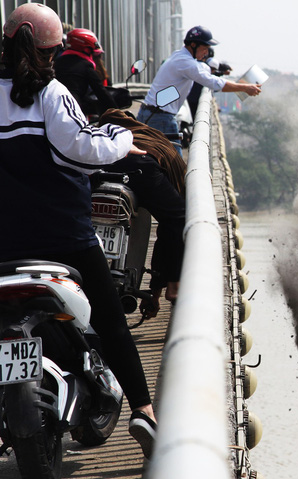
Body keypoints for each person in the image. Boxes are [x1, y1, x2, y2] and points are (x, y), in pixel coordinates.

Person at [0, 3, 156, 458]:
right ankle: (144, 412)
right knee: (110, 318)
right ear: (52, 51)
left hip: (4, 242)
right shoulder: (50, 92)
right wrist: (125, 140)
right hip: (61, 235)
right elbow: (79, 150)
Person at [98, 108, 187, 317]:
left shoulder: (99, 137)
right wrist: (154, 293)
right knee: (176, 218)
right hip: (141, 170)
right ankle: (173, 285)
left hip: (102, 169)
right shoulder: (150, 135)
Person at [137, 25, 261, 157]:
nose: (206, 53)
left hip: (149, 112)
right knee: (176, 167)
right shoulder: (186, 63)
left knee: (148, 159)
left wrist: (217, 69)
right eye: (205, 48)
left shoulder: (178, 56)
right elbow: (212, 82)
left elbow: (201, 69)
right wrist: (245, 87)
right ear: (194, 45)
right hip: (161, 118)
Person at [53, 27, 117, 116]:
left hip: (53, 109)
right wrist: (117, 112)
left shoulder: (56, 63)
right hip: (74, 111)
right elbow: (101, 92)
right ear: (85, 49)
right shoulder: (86, 66)